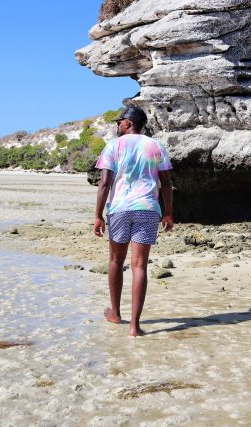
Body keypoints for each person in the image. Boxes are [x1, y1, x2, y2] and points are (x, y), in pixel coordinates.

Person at [93, 105, 173, 337]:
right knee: (140, 266)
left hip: (119, 209)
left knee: (116, 261)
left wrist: (98, 215)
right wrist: (168, 213)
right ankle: (134, 327)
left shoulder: (113, 146)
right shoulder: (155, 146)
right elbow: (166, 183)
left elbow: (105, 183)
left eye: (119, 122)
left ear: (128, 123)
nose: (118, 126)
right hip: (148, 208)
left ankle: (116, 313)